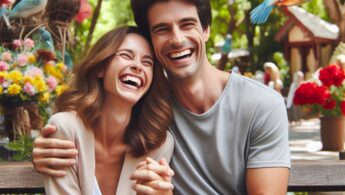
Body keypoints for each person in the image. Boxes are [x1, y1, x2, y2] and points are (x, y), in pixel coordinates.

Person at [33, 0, 291, 194]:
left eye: (187, 24)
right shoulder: (145, 111)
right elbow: (88, 127)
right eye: (162, 29)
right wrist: (46, 147)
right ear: (152, 41)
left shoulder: (262, 105)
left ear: (206, 30)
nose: (177, 39)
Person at [41, 26, 175, 195]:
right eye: (126, 55)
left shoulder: (159, 143)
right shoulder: (65, 129)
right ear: (100, 68)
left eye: (147, 63)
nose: (138, 67)